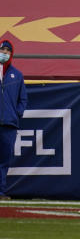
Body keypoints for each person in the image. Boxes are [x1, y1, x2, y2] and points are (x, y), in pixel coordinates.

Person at [0, 39, 26, 197]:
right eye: (2, 49)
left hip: (8, 124)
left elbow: (23, 99)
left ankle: (0, 191)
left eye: (7, 50)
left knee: (4, 161)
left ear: (12, 53)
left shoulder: (17, 75)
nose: (4, 52)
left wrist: (16, 113)